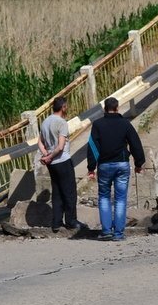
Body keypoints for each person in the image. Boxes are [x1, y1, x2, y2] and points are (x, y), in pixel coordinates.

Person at [86, 97, 145, 242]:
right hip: (122, 165)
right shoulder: (125, 124)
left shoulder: (98, 125)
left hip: (104, 165)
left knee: (104, 197)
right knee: (120, 199)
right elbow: (135, 143)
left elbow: (93, 147)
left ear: (105, 109)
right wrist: (139, 163)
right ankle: (118, 234)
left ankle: (106, 231)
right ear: (117, 108)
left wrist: (91, 168)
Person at [38, 97, 85, 232]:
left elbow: (40, 142)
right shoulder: (62, 123)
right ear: (63, 107)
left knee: (57, 191)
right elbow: (60, 147)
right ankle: (71, 220)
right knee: (69, 192)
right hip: (62, 160)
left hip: (51, 164)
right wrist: (50, 156)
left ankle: (56, 222)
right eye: (66, 106)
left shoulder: (45, 122)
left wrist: (45, 155)